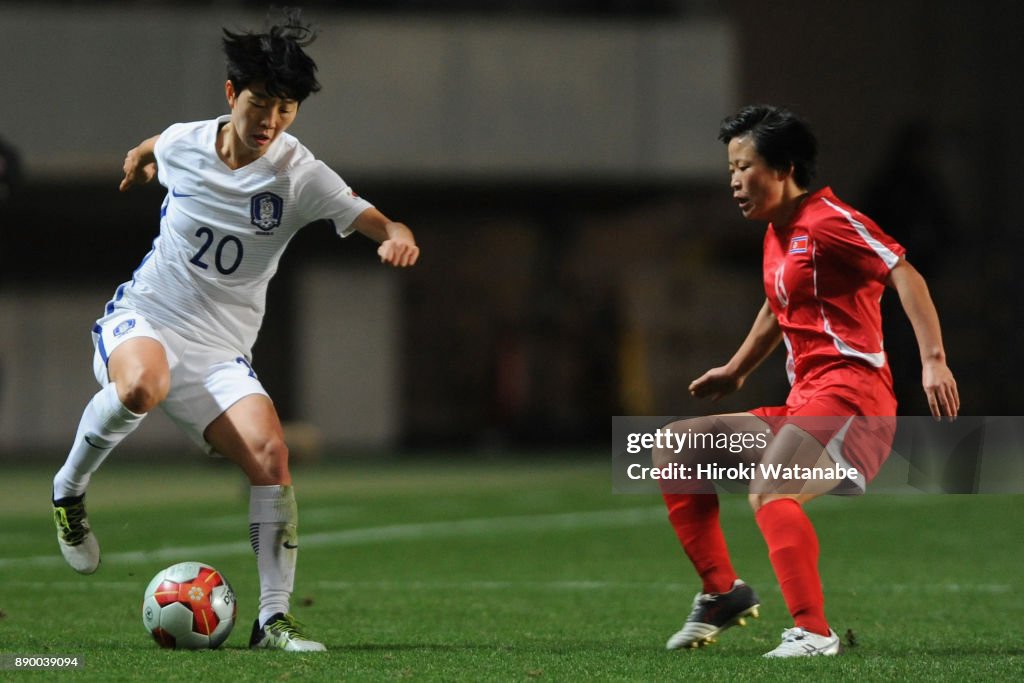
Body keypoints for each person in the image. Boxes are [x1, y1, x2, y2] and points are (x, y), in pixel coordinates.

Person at [50, 9, 419, 652]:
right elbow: (153, 148)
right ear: (231, 95)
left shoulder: (300, 176)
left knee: (273, 457)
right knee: (142, 386)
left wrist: (398, 237)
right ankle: (68, 493)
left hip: (221, 349)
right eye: (260, 105)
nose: (271, 122)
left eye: (286, 109)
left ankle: (272, 618)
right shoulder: (184, 142)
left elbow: (378, 221)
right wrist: (139, 161)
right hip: (147, 316)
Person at [655, 105, 958, 658]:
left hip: (854, 399)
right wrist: (737, 369)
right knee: (678, 445)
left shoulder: (828, 220)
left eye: (743, 167)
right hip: (810, 400)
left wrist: (932, 358)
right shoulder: (778, 233)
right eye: (729, 170)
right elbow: (777, 307)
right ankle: (722, 593)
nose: (733, 182)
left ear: (784, 167)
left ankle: (814, 633)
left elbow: (902, 270)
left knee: (772, 489)